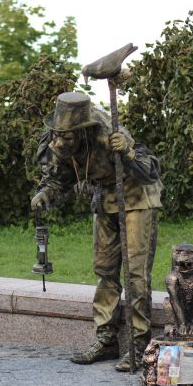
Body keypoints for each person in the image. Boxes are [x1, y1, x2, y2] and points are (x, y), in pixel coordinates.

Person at [31, 92, 163, 371]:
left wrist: (126, 152)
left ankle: (139, 346)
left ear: (82, 132)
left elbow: (150, 171)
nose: (59, 142)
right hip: (105, 198)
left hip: (137, 197)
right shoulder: (58, 140)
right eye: (57, 134)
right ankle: (107, 339)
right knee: (105, 270)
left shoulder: (108, 133)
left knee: (135, 273)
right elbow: (58, 178)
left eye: (67, 137)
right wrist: (45, 193)